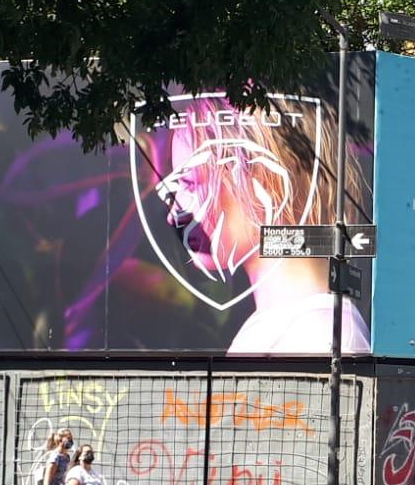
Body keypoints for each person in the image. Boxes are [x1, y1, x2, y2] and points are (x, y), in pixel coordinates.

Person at [135, 94, 371, 355]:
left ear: (263, 179)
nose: (173, 214)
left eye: (191, 183)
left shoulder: (316, 335)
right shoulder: (280, 325)